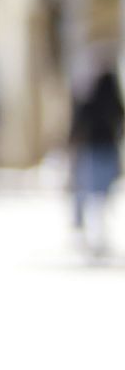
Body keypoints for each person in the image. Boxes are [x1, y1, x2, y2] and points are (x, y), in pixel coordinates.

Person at [70, 65, 123, 258]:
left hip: (94, 150)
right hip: (106, 150)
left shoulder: (91, 102)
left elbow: (79, 124)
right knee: (102, 193)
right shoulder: (113, 104)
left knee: (92, 191)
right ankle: (98, 231)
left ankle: (93, 230)